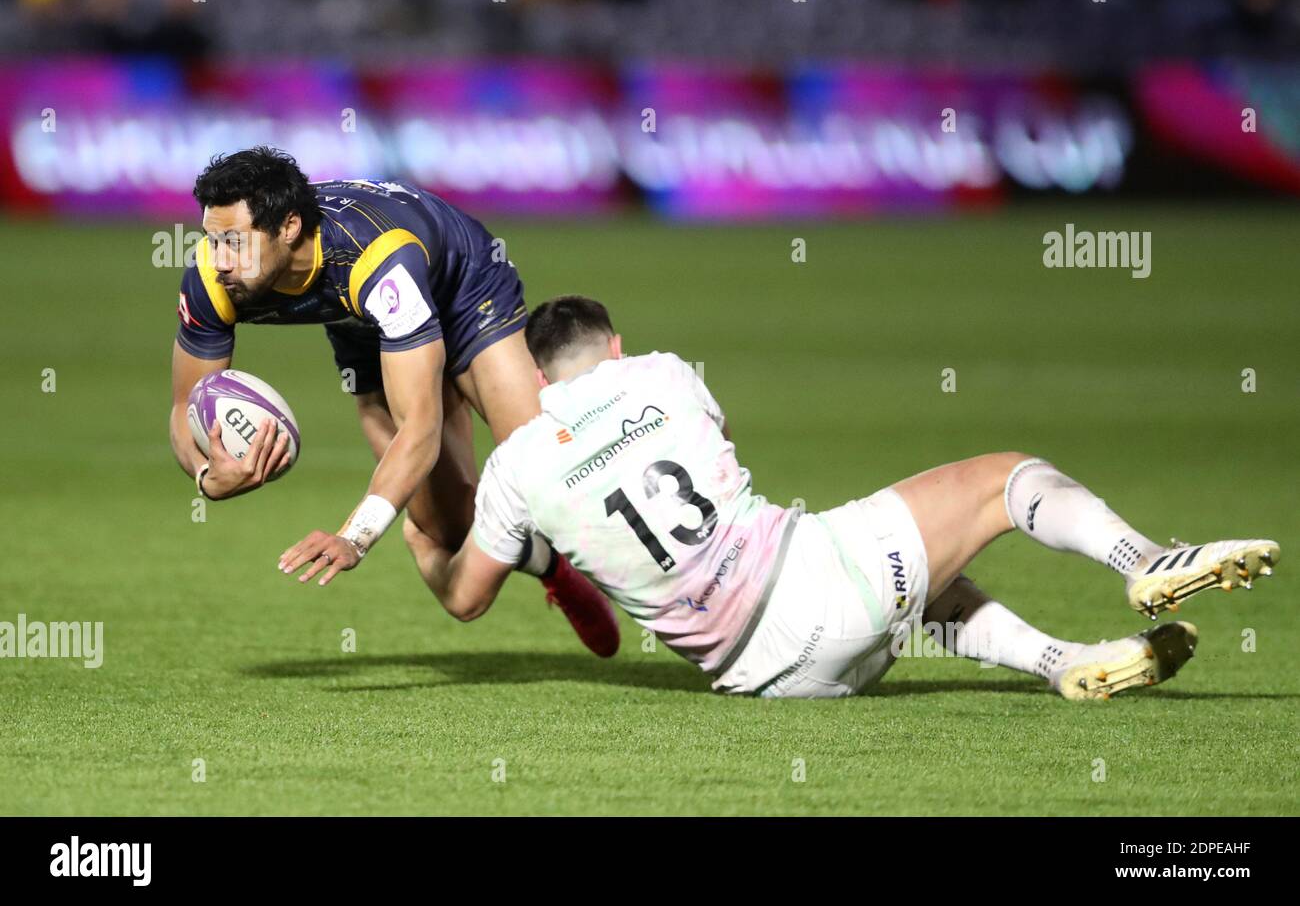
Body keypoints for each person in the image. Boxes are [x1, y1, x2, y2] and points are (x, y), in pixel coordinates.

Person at [425, 295, 1282, 699]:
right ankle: (1146, 558)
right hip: (815, 588)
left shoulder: (517, 467)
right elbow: (716, 457)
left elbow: (465, 598)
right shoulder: (660, 372)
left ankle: (1062, 661)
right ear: (616, 344)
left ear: (538, 378)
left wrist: (429, 548)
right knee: (1002, 477)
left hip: (764, 680)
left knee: (921, 583)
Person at [168, 148, 618, 657]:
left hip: (464, 292)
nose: (219, 258)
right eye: (212, 239)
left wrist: (354, 537)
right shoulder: (213, 278)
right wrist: (207, 475)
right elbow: (186, 408)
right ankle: (546, 564)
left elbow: (420, 430)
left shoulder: (376, 258)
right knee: (452, 537)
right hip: (365, 327)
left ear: (289, 227)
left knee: (552, 476)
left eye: (234, 242)